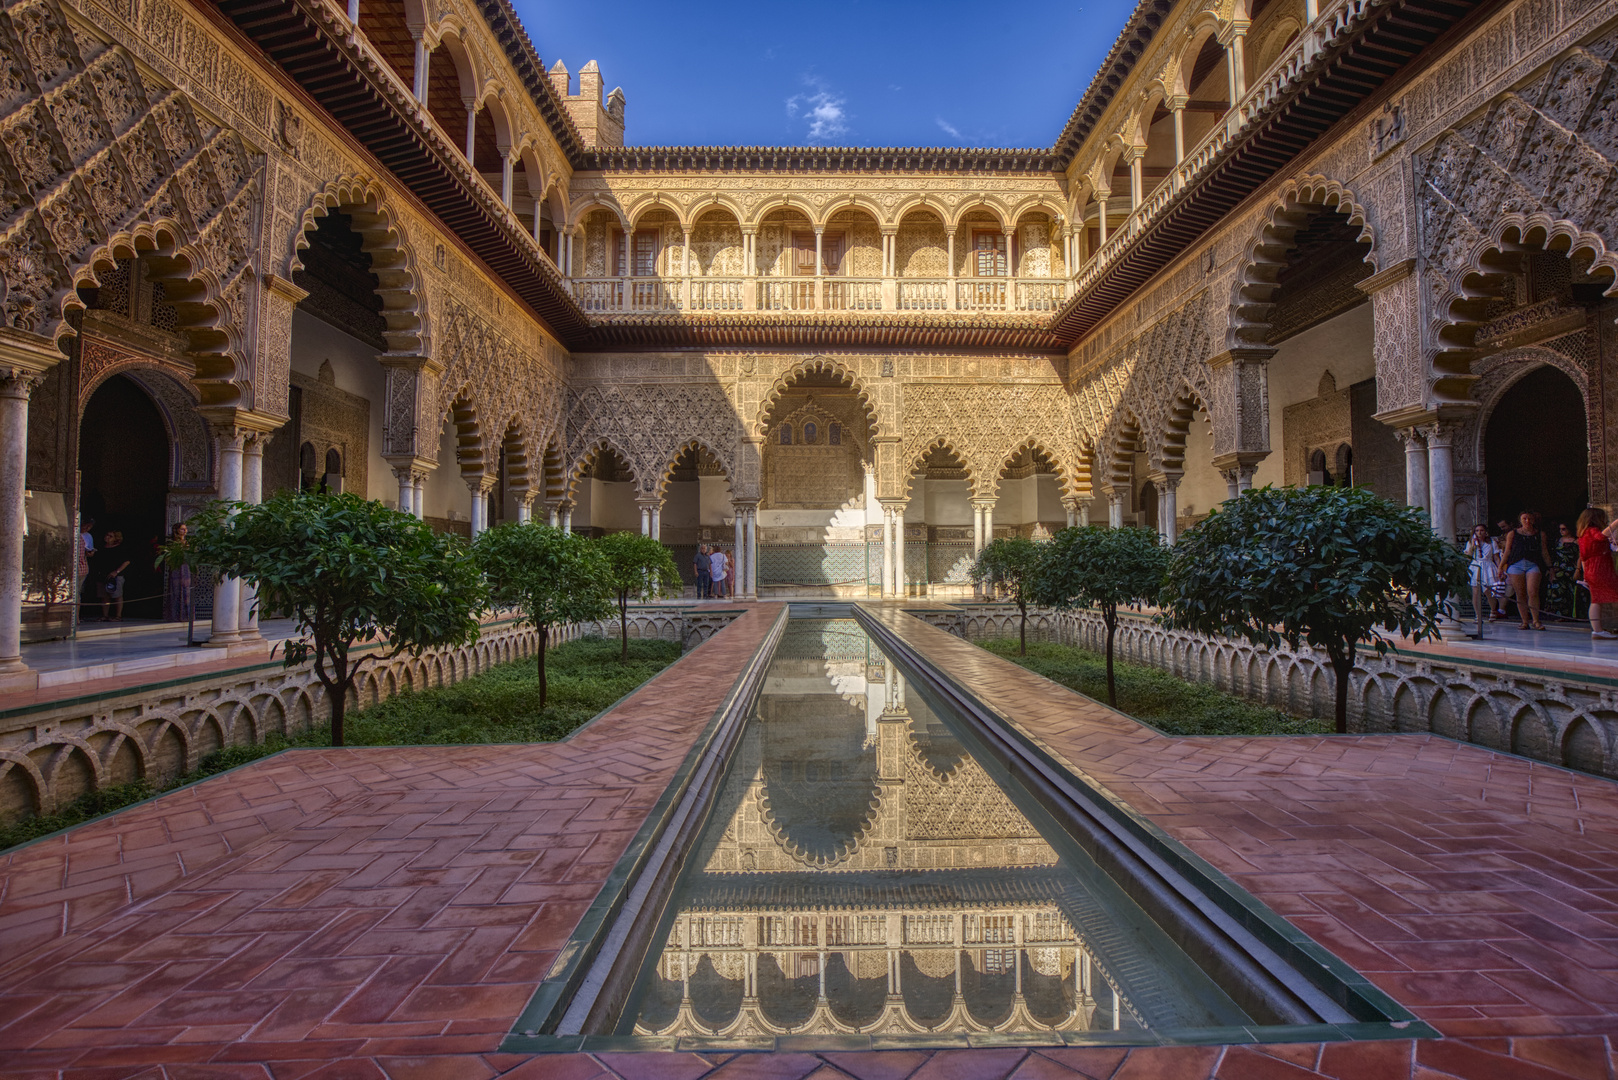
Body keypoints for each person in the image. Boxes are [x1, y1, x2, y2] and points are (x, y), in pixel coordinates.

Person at [1498, 511, 1553, 631]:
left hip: (1533, 564)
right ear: (1520, 520)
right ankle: (1524, 621)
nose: (1527, 521)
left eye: (1529, 518)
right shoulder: (1513, 534)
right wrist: (1501, 567)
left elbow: (1544, 551)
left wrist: (1550, 567)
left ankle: (1536, 620)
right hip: (1516, 565)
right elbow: (1507, 551)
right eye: (1524, 518)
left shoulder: (1539, 534)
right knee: (1520, 593)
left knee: (1532, 591)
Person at [1577, 507, 1618, 640]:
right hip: (1601, 570)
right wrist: (1616, 522)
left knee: (1596, 600)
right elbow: (1601, 536)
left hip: (1590, 570)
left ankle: (1597, 630)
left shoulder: (1583, 534)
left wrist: (1585, 575)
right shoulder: (1593, 531)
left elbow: (1583, 557)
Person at [1464, 524, 1503, 636]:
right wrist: (1473, 545)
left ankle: (1493, 610)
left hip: (1488, 566)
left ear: (1486, 532)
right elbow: (1469, 555)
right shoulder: (1471, 542)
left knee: (1488, 591)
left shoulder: (1491, 542)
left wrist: (1500, 569)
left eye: (1482, 530)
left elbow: (1496, 557)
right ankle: (1477, 615)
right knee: (1475, 592)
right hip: (1476, 566)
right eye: (1477, 530)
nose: (1479, 533)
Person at [91, 530, 130, 622]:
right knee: (104, 596)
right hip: (103, 574)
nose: (107, 537)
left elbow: (127, 561)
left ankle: (118, 616)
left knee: (117, 595)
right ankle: (105, 615)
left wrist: (116, 571)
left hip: (116, 576)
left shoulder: (121, 549)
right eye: (107, 535)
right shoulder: (101, 548)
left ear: (116, 539)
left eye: (110, 536)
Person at [1548, 521, 1582, 618]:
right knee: (1557, 592)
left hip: (1571, 569)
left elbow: (1580, 556)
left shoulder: (1577, 541)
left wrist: (1578, 569)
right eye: (1560, 529)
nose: (1561, 531)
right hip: (1558, 569)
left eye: (1564, 529)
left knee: (1570, 592)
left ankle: (1570, 614)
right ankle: (1557, 615)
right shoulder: (1557, 541)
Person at [163, 521, 191, 622]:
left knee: (186, 591)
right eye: (182, 529)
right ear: (177, 531)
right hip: (176, 568)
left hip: (185, 568)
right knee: (175, 590)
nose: (185, 531)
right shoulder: (172, 543)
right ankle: (175, 615)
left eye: (185, 529)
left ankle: (186, 615)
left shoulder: (187, 542)